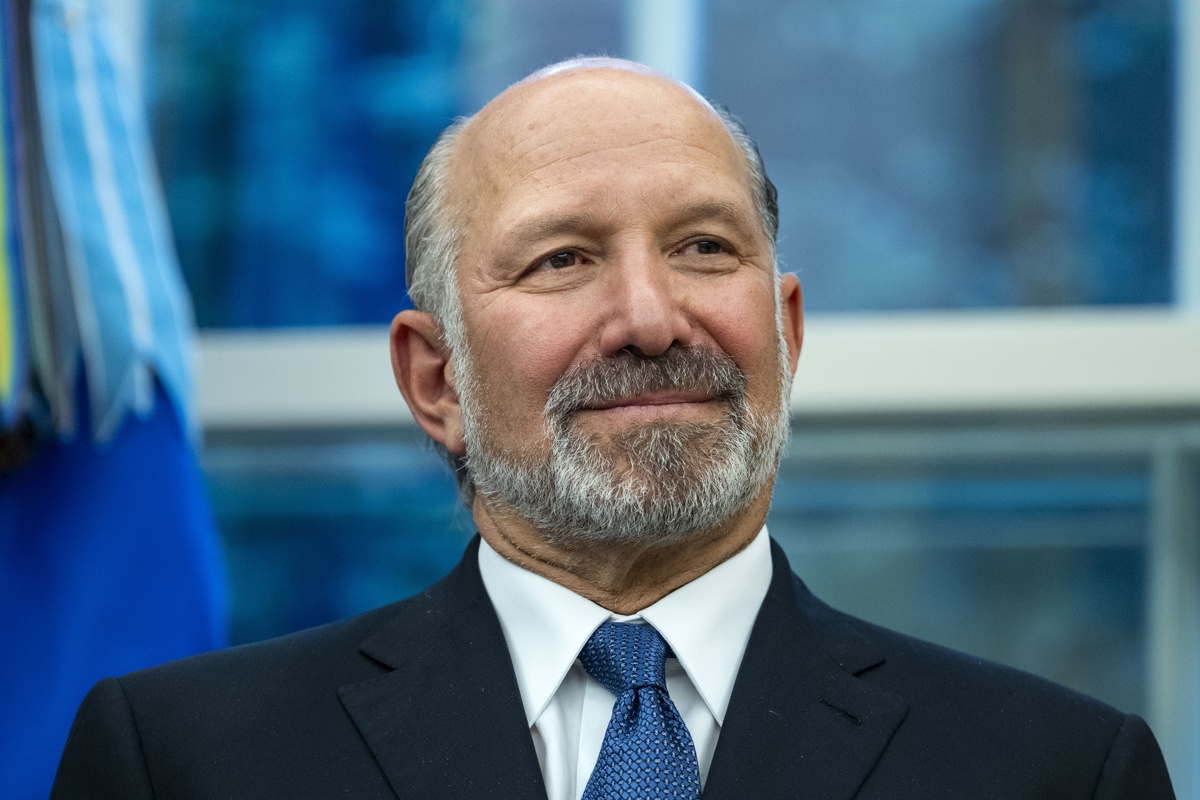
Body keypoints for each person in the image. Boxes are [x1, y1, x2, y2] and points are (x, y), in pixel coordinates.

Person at [51, 57, 1175, 799]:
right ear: (433, 378)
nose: (649, 317)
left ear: (783, 330)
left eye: (703, 247)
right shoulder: (185, 763)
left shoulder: (1059, 772)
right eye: (563, 260)